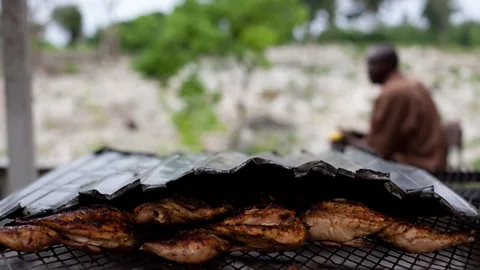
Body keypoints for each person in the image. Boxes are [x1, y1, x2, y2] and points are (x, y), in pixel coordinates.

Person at [342, 43, 447, 172]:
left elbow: (377, 149)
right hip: (433, 161)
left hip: (419, 167)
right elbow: (398, 134)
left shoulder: (393, 93)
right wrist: (359, 136)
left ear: (387, 65)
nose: (368, 70)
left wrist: (347, 141)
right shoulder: (413, 84)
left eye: (372, 64)